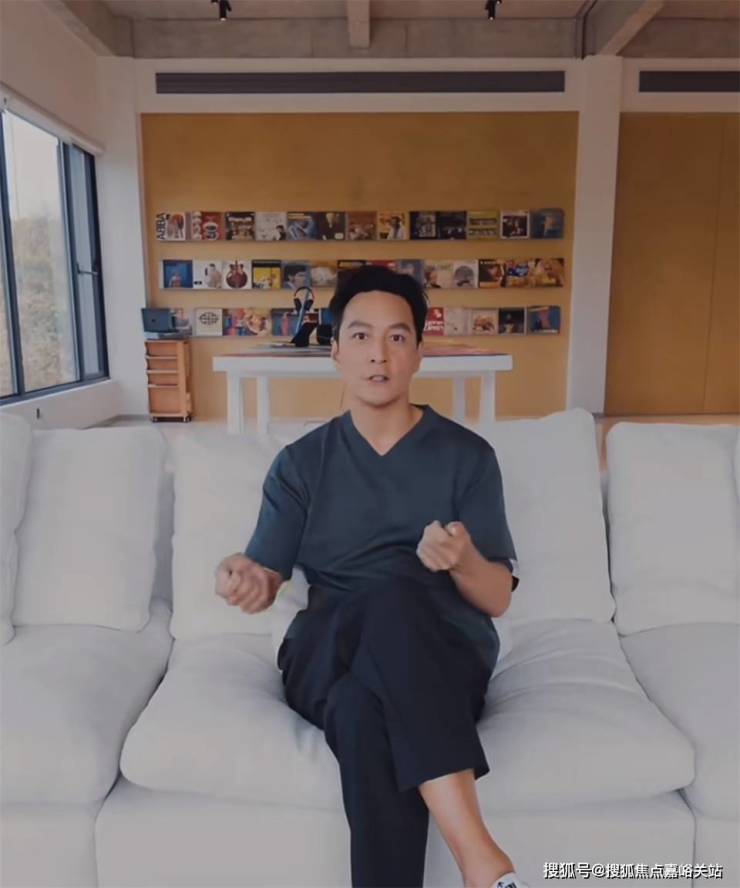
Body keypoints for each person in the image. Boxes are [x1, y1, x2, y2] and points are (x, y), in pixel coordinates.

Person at [214, 265, 528, 888]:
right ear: (334, 351)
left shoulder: (467, 457)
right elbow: (265, 574)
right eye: (360, 336)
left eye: (397, 337)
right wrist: (244, 577)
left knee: (360, 712)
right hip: (325, 650)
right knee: (388, 595)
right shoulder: (300, 465)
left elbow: (496, 599)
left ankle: (473, 865)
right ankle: (481, 859)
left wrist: (464, 559)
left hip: (443, 662)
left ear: (419, 352)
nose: (378, 354)